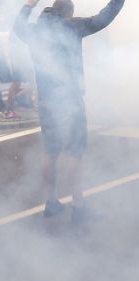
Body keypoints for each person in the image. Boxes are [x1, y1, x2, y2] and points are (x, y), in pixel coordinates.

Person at [14, 0, 125, 223]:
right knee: (74, 152)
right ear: (68, 13)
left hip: (45, 99)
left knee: (50, 151)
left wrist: (28, 5)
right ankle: (79, 207)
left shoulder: (34, 31)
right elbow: (103, 18)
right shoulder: (71, 26)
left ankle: (51, 201)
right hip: (69, 100)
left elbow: (17, 27)